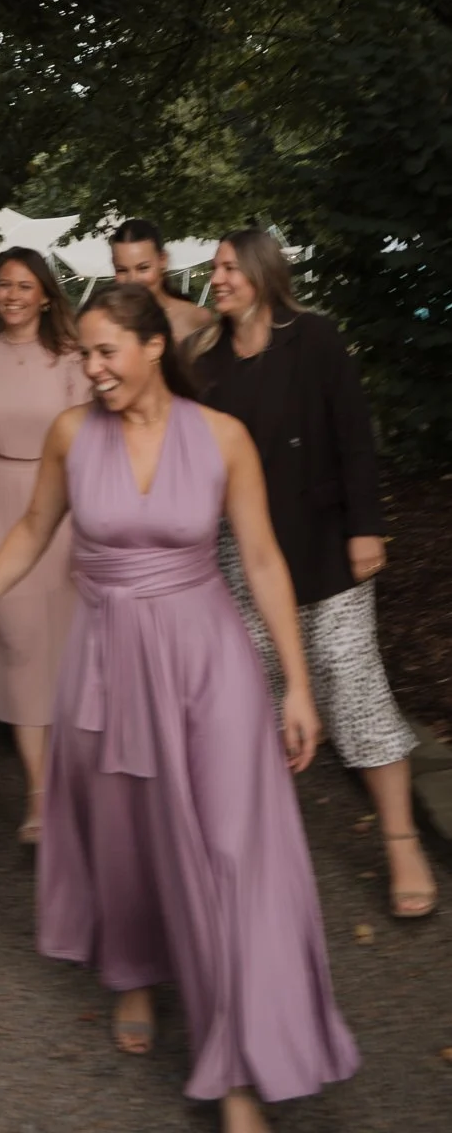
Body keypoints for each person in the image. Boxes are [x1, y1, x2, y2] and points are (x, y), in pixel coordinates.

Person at [0, 285, 358, 1133]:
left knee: (231, 853)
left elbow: (263, 561)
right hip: (107, 665)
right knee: (128, 837)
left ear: (153, 346)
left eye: (105, 352)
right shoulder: (71, 434)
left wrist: (296, 684)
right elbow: (30, 533)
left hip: (208, 665)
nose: (91, 370)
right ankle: (132, 969)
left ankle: (236, 1068)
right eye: (84, 355)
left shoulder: (222, 438)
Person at [191, 228, 437, 920]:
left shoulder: (316, 338)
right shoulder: (206, 362)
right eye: (214, 268)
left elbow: (353, 434)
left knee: (349, 677)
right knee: (258, 690)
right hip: (243, 551)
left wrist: (366, 526)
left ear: (263, 274)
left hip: (326, 541)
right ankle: (263, 852)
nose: (217, 278)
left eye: (230, 267)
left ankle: (400, 841)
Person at [0, 247, 89, 840]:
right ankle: (38, 794)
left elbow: (92, 432)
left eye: (24, 285)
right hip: (0, 504)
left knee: (70, 643)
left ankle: (80, 780)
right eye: (4, 284)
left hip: (67, 504)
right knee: (21, 640)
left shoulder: (73, 357)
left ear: (46, 296)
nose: (12, 295)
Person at [109, 218, 214, 342]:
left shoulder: (195, 318)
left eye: (143, 268)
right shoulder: (105, 321)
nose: (133, 280)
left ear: (163, 260)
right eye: (122, 270)